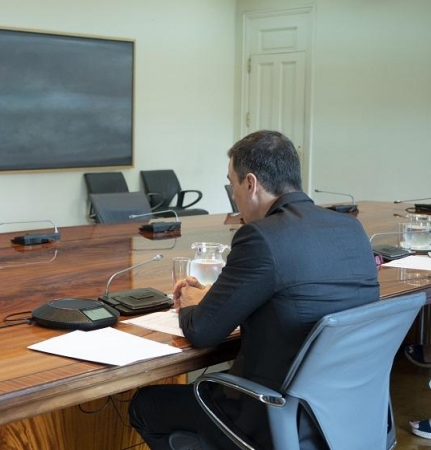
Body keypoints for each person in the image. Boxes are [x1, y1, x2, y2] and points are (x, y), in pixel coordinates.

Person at [128, 130, 380, 450]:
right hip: (347, 416)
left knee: (145, 405)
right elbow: (292, 293)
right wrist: (219, 297)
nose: (233, 194)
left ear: (250, 183)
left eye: (232, 183)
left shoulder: (261, 236)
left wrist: (191, 301)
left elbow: (203, 331)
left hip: (273, 418)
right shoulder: (351, 228)